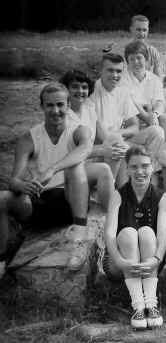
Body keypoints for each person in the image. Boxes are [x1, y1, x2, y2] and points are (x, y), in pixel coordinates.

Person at [0, 83, 93, 279]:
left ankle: (78, 238)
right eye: (50, 105)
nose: (56, 111)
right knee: (2, 198)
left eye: (60, 104)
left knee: (75, 166)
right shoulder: (29, 138)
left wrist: (52, 169)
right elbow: (14, 180)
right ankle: (1, 262)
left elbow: (84, 149)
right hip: (38, 202)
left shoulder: (80, 130)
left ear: (68, 105)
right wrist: (23, 186)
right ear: (42, 106)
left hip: (71, 201)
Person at [103, 146, 166, 330]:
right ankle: (138, 307)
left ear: (153, 166)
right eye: (134, 166)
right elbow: (109, 232)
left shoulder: (161, 197)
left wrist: (156, 259)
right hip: (120, 261)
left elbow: (163, 233)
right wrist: (118, 260)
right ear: (127, 169)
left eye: (145, 166)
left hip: (151, 260)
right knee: (128, 233)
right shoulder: (118, 195)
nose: (140, 171)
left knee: (148, 232)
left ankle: (151, 304)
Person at [90, 53, 165, 185]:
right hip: (100, 145)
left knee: (157, 132)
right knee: (118, 145)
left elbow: (135, 127)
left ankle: (147, 175)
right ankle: (121, 188)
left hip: (120, 139)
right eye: (110, 70)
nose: (115, 75)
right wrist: (117, 138)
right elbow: (101, 134)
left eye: (119, 71)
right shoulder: (92, 91)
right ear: (100, 70)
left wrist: (119, 134)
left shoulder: (122, 91)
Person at [60, 70, 116, 210]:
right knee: (103, 169)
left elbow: (105, 136)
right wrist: (102, 150)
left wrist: (117, 145)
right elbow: (69, 153)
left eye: (84, 87)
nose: (80, 91)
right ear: (66, 90)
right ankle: (109, 209)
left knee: (116, 144)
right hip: (67, 169)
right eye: (75, 87)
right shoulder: (62, 116)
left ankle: (114, 194)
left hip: (86, 163)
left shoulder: (89, 110)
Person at [122, 40, 166, 137]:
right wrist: (147, 117)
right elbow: (131, 103)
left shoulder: (154, 79)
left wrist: (154, 114)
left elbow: (159, 102)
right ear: (127, 62)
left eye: (139, 58)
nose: (136, 62)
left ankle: (165, 148)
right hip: (132, 119)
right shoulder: (123, 79)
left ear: (146, 59)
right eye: (132, 59)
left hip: (150, 115)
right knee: (154, 129)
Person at [129, 14, 166, 80]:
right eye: (138, 30)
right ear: (131, 29)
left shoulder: (153, 52)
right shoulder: (124, 51)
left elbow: (158, 80)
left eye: (144, 30)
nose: (141, 34)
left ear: (148, 31)